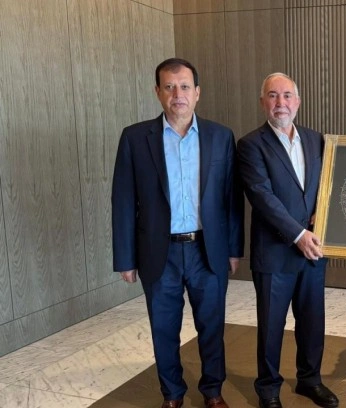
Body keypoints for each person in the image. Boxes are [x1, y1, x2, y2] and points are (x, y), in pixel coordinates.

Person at [112, 58, 243, 408]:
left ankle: (213, 392)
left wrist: (234, 249)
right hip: (159, 253)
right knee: (164, 328)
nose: (177, 94)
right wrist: (125, 258)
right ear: (158, 92)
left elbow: (231, 199)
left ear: (197, 92)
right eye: (169, 87)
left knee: (212, 327)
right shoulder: (135, 138)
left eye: (184, 87)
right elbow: (123, 200)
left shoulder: (220, 136)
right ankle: (172, 394)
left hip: (207, 251)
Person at [237, 73, 338, 408]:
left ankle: (310, 380)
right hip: (275, 254)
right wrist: (298, 235)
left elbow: (328, 184)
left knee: (312, 321)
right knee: (271, 326)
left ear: (298, 101)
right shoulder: (250, 145)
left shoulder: (316, 139)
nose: (280, 103)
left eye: (287, 96)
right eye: (273, 95)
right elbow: (262, 196)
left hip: (314, 251)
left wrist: (322, 213)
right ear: (262, 102)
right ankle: (268, 389)